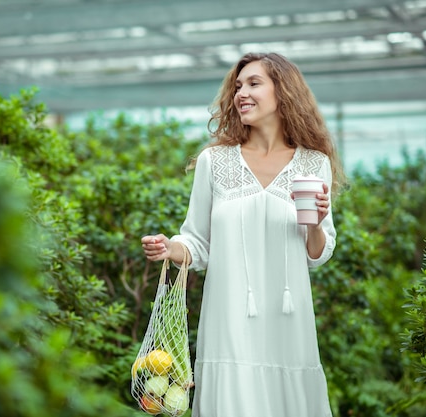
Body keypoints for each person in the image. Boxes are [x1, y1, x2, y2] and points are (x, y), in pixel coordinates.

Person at [141, 52, 345, 417]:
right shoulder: (214, 161)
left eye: (254, 84)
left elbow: (318, 252)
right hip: (228, 322)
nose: (241, 94)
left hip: (288, 324)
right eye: (238, 86)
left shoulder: (315, 162)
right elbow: (197, 243)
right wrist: (170, 248)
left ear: (283, 92)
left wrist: (315, 221)